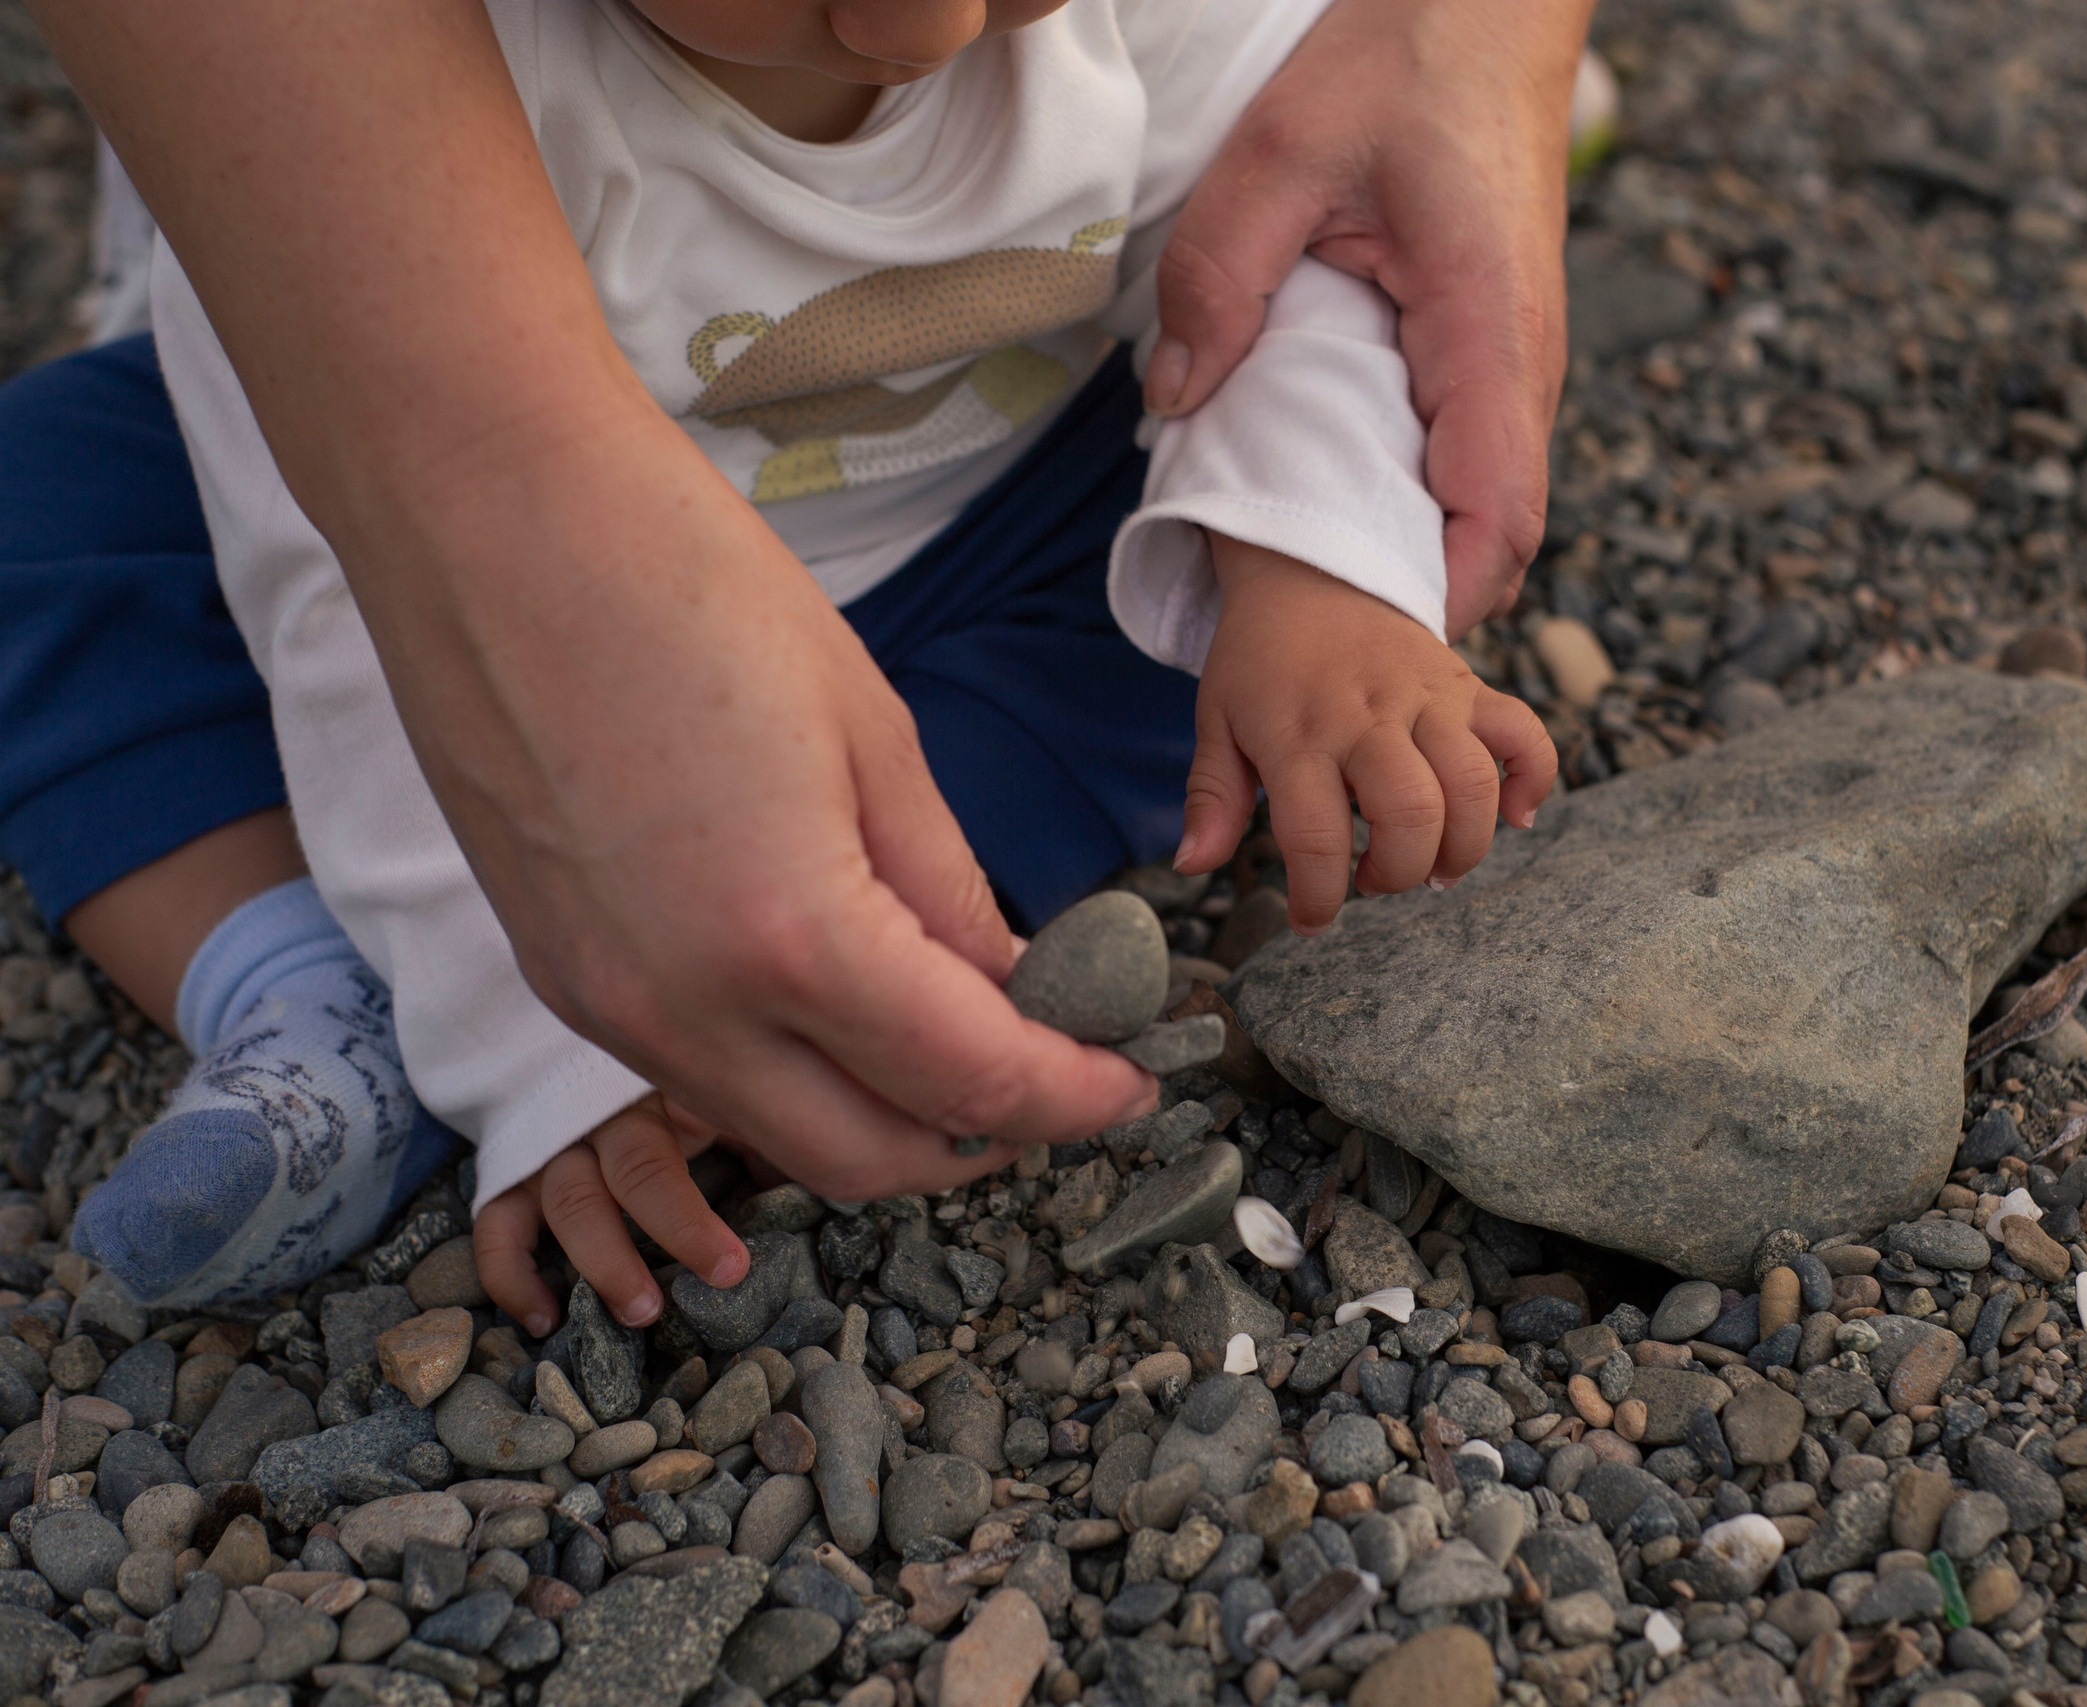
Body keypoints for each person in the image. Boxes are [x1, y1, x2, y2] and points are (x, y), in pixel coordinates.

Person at [2, 0, 1579, 1325]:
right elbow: (355, 593)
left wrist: (1315, 578)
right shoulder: (430, 107)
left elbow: (1287, 250)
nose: (915, 25)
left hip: (978, 530)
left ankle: (830, 942)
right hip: (468, 596)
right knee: (48, 510)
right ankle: (301, 985)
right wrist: (531, 1036)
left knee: (1194, 636)